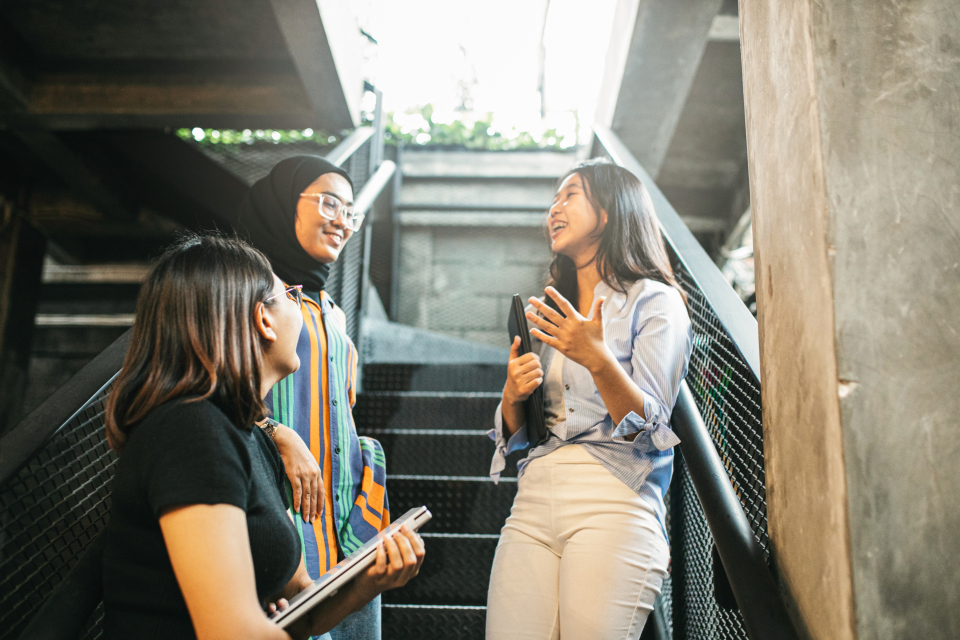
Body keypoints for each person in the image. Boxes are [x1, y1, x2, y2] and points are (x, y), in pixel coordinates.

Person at [101, 235, 423, 640]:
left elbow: (300, 608)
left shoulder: (246, 435)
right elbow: (232, 631)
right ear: (263, 319)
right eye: (288, 294)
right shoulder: (190, 431)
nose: (298, 304)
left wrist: (371, 580)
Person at [486, 159, 693, 640]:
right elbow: (520, 434)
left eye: (569, 195)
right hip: (533, 499)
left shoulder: (655, 301)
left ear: (607, 212)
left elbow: (651, 430)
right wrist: (513, 393)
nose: (553, 210)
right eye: (553, 200)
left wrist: (598, 358)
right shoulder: (551, 311)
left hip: (614, 499)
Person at [236, 156, 389, 639]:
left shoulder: (333, 313)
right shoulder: (247, 293)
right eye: (328, 203)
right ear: (284, 204)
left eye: (350, 211)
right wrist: (276, 433)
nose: (342, 220)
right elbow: (212, 389)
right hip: (279, 513)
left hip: (345, 522)